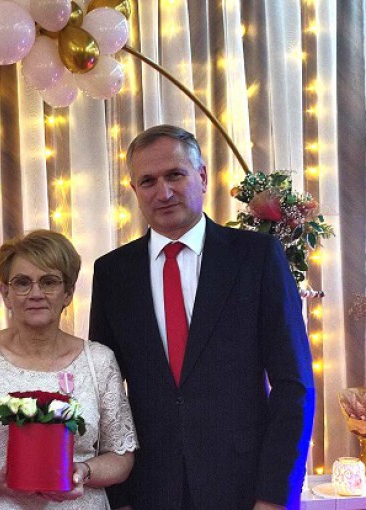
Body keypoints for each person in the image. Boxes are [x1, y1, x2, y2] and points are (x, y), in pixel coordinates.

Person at [89, 125, 314, 510]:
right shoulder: (113, 273)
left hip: (245, 489)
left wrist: (276, 496)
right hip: (149, 491)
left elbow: (294, 385)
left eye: (175, 175)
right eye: (148, 181)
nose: (163, 192)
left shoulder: (257, 257)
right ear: (134, 190)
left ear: (203, 177)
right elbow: (103, 395)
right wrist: (119, 499)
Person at [0, 229, 137, 509]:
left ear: (68, 293)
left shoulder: (99, 360)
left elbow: (121, 456)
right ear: (5, 293)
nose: (36, 293)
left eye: (49, 282)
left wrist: (83, 472)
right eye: (22, 283)